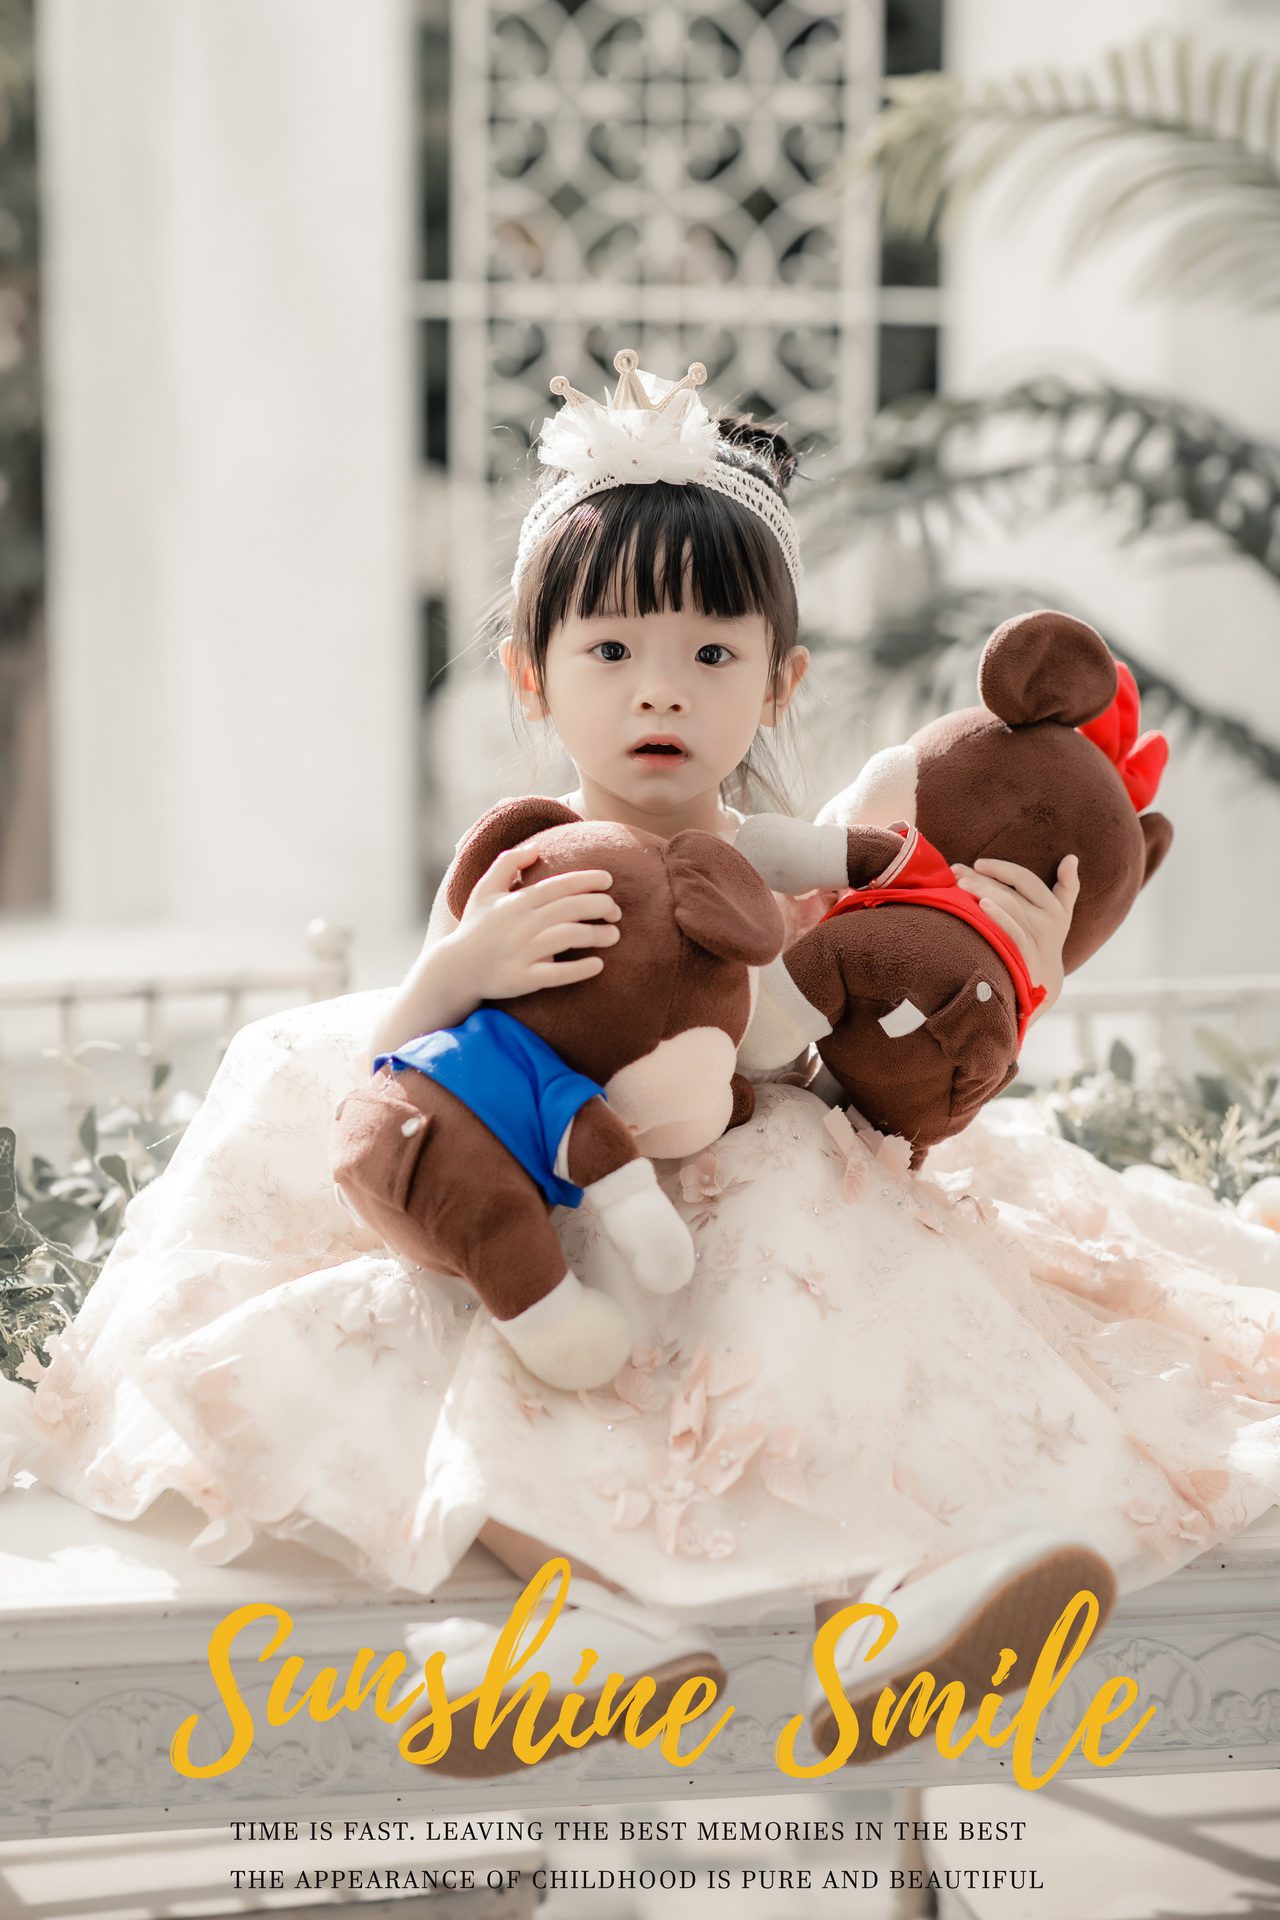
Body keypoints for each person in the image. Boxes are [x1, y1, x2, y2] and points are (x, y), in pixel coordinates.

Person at [4, 352, 1278, 1774]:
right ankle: (595, 1617)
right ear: (532, 674)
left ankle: (919, 1593)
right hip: (560, 1185)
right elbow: (401, 1067)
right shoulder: (525, 860)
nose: (660, 691)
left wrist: (996, 991)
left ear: (781, 681)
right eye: (611, 651)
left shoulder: (807, 876)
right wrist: (464, 967)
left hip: (743, 1183)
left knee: (835, 1295)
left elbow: (866, 1080)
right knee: (468, 1349)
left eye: (712, 656)